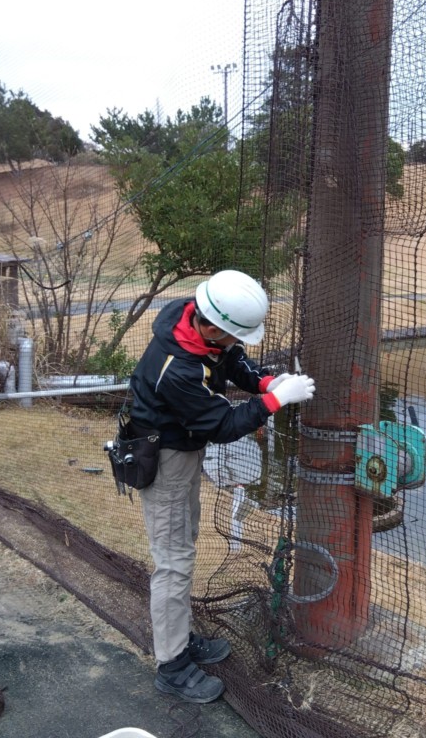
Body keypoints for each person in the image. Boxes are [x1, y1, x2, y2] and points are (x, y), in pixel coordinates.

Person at [128, 269, 316, 703]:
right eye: (233, 335)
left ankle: (180, 633)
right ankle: (171, 663)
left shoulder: (195, 321)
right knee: (173, 561)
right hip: (165, 459)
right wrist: (274, 402)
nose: (235, 343)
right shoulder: (175, 369)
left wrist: (268, 381)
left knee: (184, 545)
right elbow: (224, 423)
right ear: (212, 327)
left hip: (183, 449)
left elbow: (232, 362)